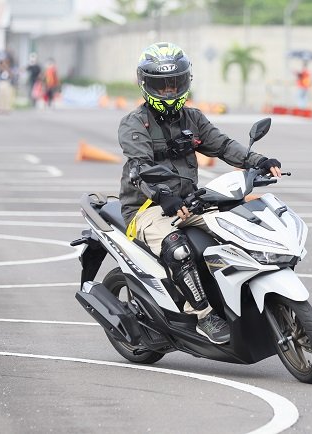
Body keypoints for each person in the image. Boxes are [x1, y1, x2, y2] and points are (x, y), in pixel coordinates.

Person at [118, 42, 282, 344]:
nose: (169, 91)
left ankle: (242, 299)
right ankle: (203, 315)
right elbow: (139, 169)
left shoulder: (193, 119)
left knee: (241, 229)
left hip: (190, 201)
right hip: (146, 207)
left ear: (185, 81)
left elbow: (223, 145)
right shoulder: (134, 124)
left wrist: (258, 161)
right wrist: (163, 195)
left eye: (174, 83)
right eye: (161, 85)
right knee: (178, 249)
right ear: (146, 84)